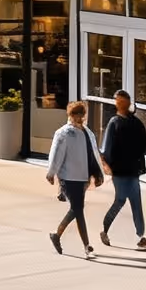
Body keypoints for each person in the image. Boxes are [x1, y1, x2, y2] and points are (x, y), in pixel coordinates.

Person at [45, 100, 103, 257]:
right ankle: (87, 246)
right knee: (78, 209)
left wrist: (97, 174)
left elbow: (94, 155)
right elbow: (56, 155)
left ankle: (56, 235)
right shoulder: (63, 133)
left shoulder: (87, 132)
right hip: (68, 178)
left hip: (82, 178)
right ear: (70, 115)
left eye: (81, 115)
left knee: (76, 209)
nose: (79, 118)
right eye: (75, 115)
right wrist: (51, 173)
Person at [100, 90, 146, 252]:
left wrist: (137, 162)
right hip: (120, 171)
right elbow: (106, 148)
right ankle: (105, 229)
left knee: (136, 203)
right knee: (120, 201)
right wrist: (107, 166)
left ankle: (141, 238)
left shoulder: (136, 123)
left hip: (133, 170)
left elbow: (144, 146)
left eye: (124, 101)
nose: (121, 104)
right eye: (119, 101)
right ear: (116, 103)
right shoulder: (114, 123)